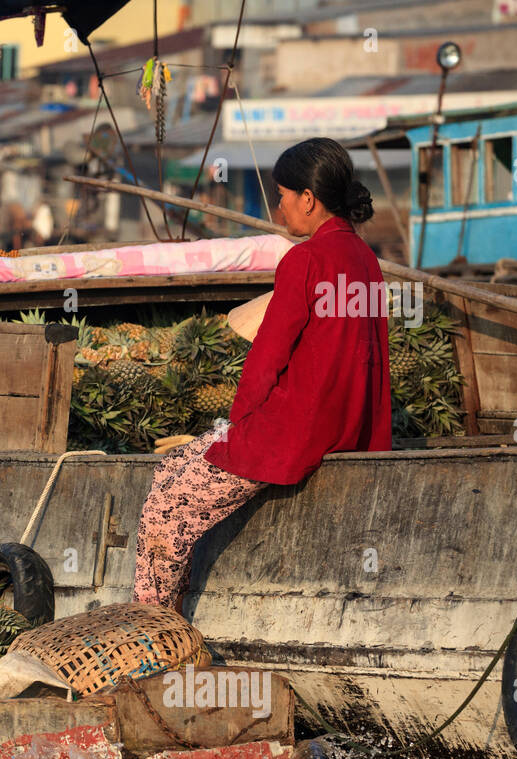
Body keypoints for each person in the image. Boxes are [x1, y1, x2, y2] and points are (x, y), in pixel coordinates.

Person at [132, 137, 391, 615]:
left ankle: (153, 628)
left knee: (165, 502)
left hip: (294, 433)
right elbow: (372, 356)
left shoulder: (304, 261)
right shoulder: (366, 260)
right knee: (174, 472)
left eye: (283, 195)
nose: (279, 208)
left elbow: (265, 361)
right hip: (351, 426)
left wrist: (234, 428)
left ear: (308, 199)